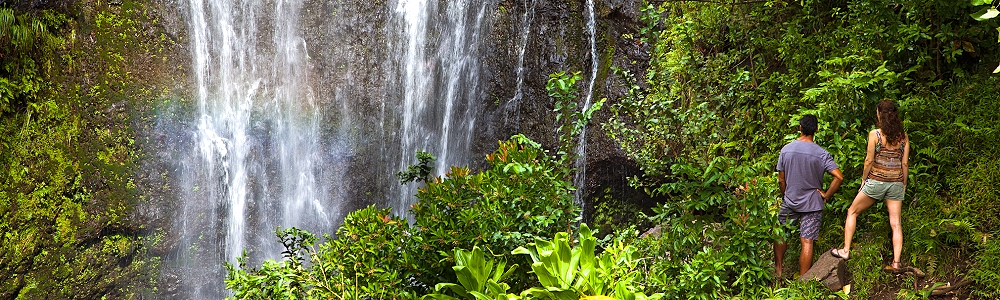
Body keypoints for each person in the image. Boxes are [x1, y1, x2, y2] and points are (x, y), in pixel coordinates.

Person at [830, 100, 910, 272]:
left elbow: (869, 160)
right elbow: (904, 164)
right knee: (896, 223)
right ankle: (896, 263)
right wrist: (903, 183)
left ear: (879, 114)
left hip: (876, 182)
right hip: (896, 183)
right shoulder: (903, 136)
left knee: (852, 211)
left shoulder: (875, 134)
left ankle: (845, 250)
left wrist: (864, 180)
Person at [775, 114, 844, 278]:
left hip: (790, 200)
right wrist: (826, 194)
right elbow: (839, 177)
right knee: (807, 241)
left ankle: (778, 268)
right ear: (816, 130)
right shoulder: (821, 153)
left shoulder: (786, 149)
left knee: (780, 233)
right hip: (812, 203)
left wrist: (786, 194)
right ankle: (804, 280)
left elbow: (781, 180)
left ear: (800, 127)